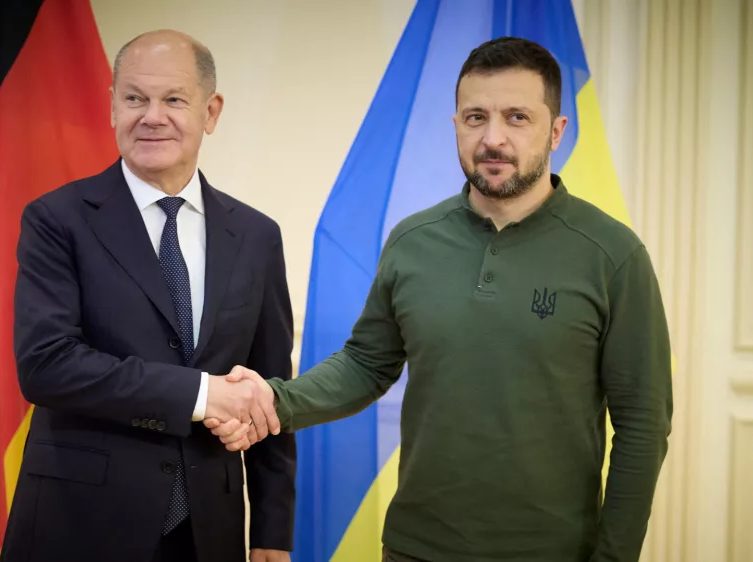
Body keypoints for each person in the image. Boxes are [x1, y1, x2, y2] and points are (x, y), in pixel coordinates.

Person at [208, 37, 673, 562]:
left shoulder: (613, 255)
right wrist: (274, 400)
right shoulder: (413, 240)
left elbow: (642, 426)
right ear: (456, 124)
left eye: (517, 117)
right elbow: (366, 363)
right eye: (476, 117)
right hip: (414, 547)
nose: (492, 138)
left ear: (557, 131)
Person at [1, 30, 294, 562]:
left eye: (174, 100)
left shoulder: (256, 234)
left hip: (211, 530)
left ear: (211, 111)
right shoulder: (55, 220)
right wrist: (203, 395)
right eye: (135, 98)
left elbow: (269, 389)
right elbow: (46, 365)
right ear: (112, 105)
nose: (152, 116)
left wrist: (273, 532)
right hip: (81, 524)